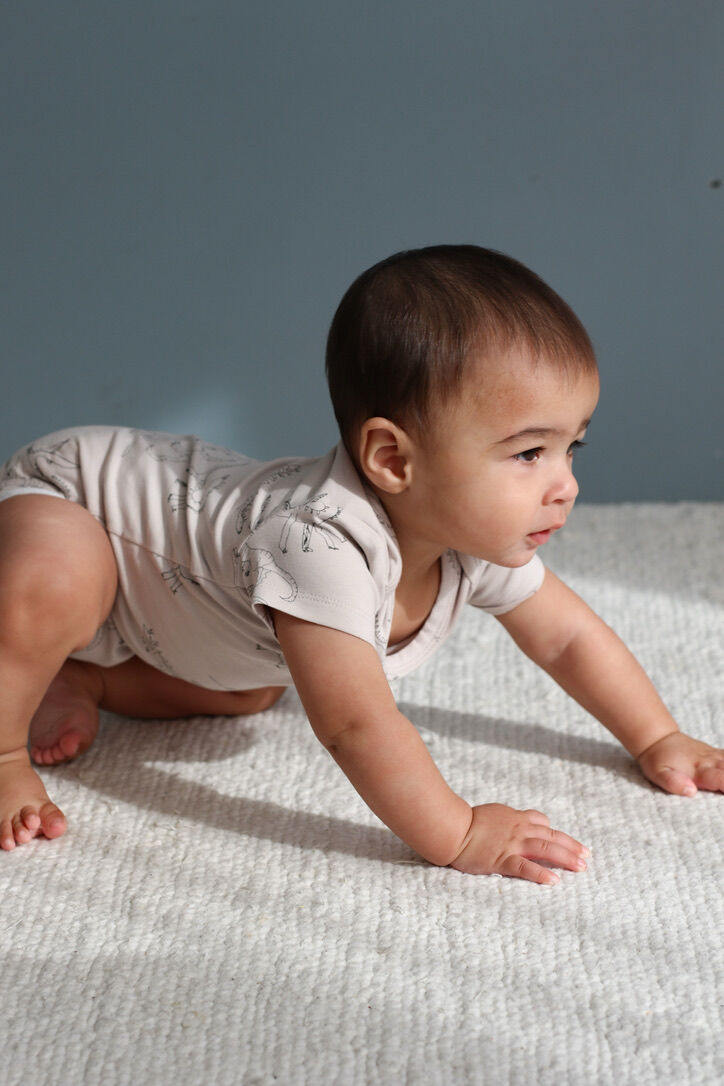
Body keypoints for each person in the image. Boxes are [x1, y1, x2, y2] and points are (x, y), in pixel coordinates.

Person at [1, 246, 721, 881]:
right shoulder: (316, 544)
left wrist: (658, 737)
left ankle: (83, 675)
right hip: (75, 497)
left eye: (573, 448)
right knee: (55, 584)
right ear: (392, 460)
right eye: (529, 452)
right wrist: (459, 831)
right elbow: (357, 726)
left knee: (250, 689)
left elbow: (567, 637)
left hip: (169, 607)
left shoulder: (468, 537)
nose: (563, 483)